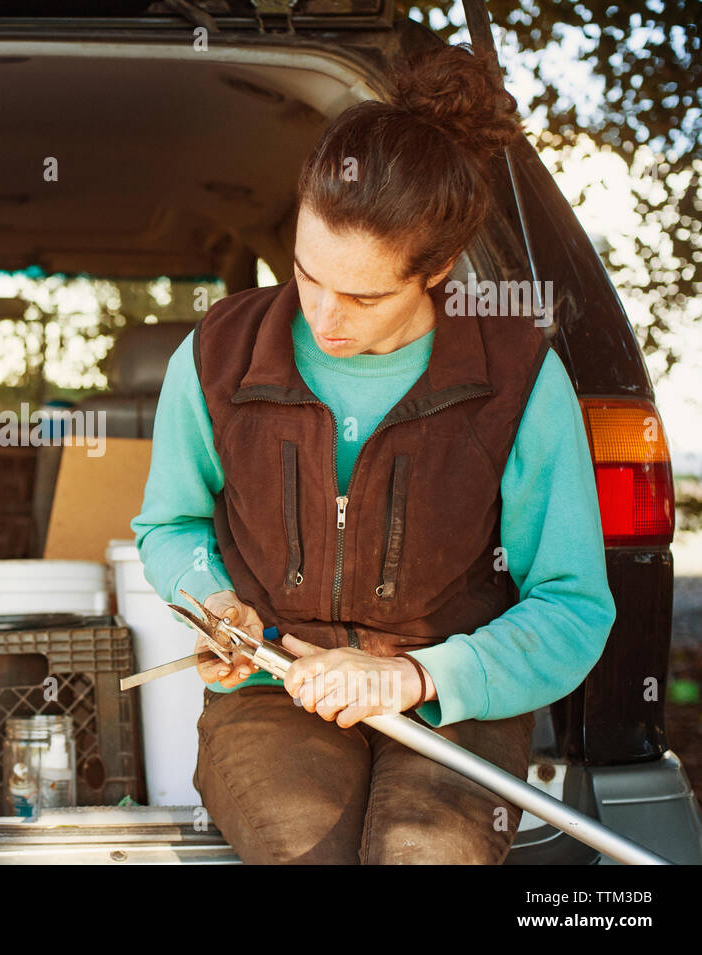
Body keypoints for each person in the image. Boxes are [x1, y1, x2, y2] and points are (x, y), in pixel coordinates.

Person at [130, 43, 616, 865]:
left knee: (421, 852)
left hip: (458, 696)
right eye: (306, 273)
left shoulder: (521, 380)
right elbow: (168, 526)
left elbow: (572, 606)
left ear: (439, 271)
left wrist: (415, 676)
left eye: (363, 295)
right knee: (301, 846)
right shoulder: (217, 354)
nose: (322, 316)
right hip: (273, 691)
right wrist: (213, 602)